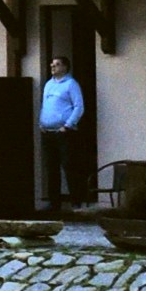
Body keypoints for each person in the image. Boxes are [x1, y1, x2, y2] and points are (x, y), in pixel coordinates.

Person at [39, 54, 87, 207]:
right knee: (51, 168)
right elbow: (45, 105)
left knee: (69, 166)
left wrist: (67, 125)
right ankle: (54, 202)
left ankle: (76, 201)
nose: (53, 67)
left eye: (57, 64)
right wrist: (41, 122)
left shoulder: (71, 84)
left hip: (64, 132)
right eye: (52, 64)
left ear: (65, 67)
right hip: (48, 132)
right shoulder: (48, 84)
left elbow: (79, 107)